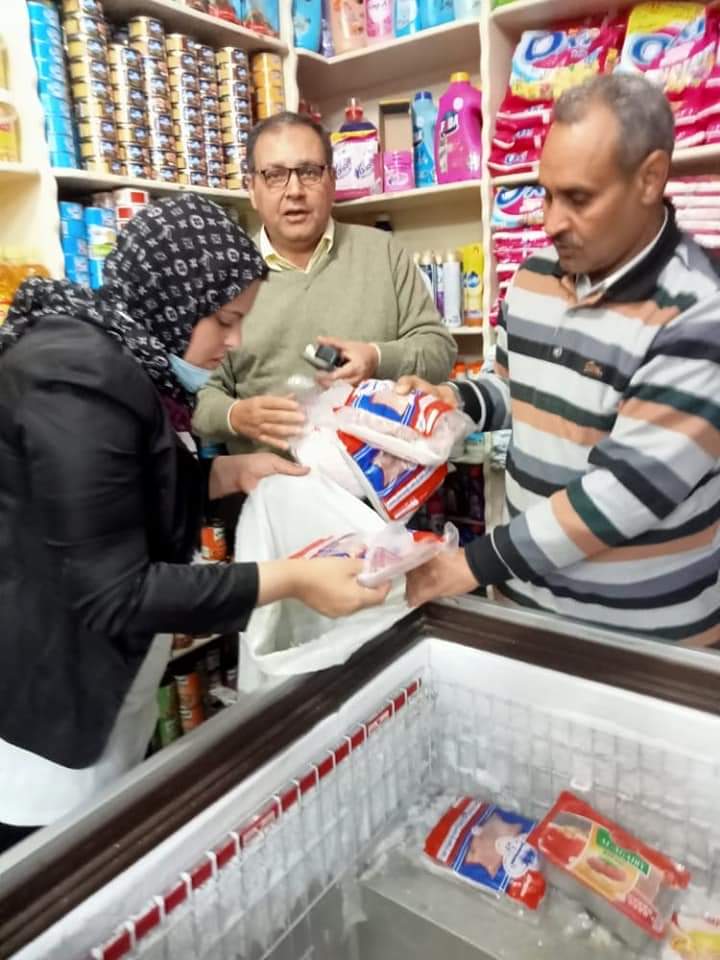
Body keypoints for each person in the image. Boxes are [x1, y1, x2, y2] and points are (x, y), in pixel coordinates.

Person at [0, 194, 389, 853]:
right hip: (48, 721)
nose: (233, 342)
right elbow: (114, 592)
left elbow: (123, 494)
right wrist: (294, 578)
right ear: (169, 294)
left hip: (108, 693)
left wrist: (226, 475)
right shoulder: (74, 380)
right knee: (57, 881)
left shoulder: (124, 360)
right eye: (223, 319)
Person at [401, 73, 720, 646]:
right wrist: (452, 400)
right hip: (528, 611)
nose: (550, 222)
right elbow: (511, 386)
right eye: (545, 193)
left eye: (578, 198)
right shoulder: (533, 277)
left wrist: (472, 565)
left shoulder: (698, 312)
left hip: (643, 644)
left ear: (650, 178)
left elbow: (622, 494)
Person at [192, 111, 456, 453]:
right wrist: (235, 416)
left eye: (309, 172)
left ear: (331, 180)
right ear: (252, 190)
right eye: (274, 175)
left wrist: (378, 357)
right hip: (271, 481)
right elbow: (198, 393)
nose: (295, 191)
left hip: (379, 480)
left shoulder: (382, 252)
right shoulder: (222, 278)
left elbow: (439, 351)